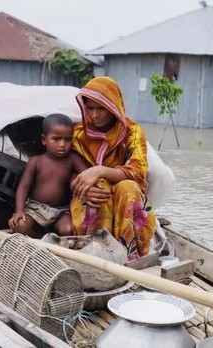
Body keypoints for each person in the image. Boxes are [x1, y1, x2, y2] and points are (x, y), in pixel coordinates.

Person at [69, 76, 156, 260]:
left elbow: (138, 173)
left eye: (101, 108)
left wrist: (100, 170)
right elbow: (67, 171)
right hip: (92, 195)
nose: (94, 115)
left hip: (124, 194)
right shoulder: (78, 134)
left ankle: (130, 256)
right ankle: (97, 255)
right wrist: (82, 187)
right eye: (90, 108)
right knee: (99, 190)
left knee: (128, 188)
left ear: (114, 106)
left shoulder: (132, 132)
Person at [9, 114, 88, 238]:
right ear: (44, 139)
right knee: (19, 226)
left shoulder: (73, 160)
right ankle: (41, 239)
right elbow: (23, 187)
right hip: (35, 209)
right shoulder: (36, 161)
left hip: (60, 211)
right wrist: (19, 210)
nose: (62, 144)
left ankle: (50, 239)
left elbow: (88, 174)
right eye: (57, 139)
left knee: (68, 230)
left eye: (67, 140)